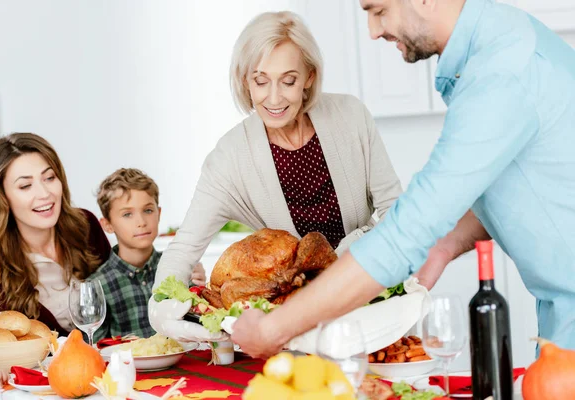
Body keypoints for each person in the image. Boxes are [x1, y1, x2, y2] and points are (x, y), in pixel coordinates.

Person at [231, 0, 575, 358]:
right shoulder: (503, 41)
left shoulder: (499, 74)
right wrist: (443, 246)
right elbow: (525, 185)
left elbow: (404, 233)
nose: (373, 31)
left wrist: (275, 327)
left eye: (378, 11)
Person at [152, 11, 404, 341]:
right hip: (294, 326)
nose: (273, 98)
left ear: (309, 77)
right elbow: (183, 249)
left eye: (288, 81)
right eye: (260, 81)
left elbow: (396, 211)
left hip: (371, 302)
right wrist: (162, 307)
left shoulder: (351, 117)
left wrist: (348, 258)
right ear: (245, 80)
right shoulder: (229, 158)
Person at [0, 133, 111, 336]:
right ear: (3, 197)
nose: (45, 193)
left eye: (49, 178)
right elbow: (23, 359)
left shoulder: (86, 226)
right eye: (25, 186)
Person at [90, 168, 205, 341]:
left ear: (159, 214)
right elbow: (95, 349)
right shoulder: (98, 285)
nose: (141, 222)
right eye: (127, 214)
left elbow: (199, 325)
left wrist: (201, 290)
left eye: (148, 211)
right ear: (107, 225)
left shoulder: (179, 268)